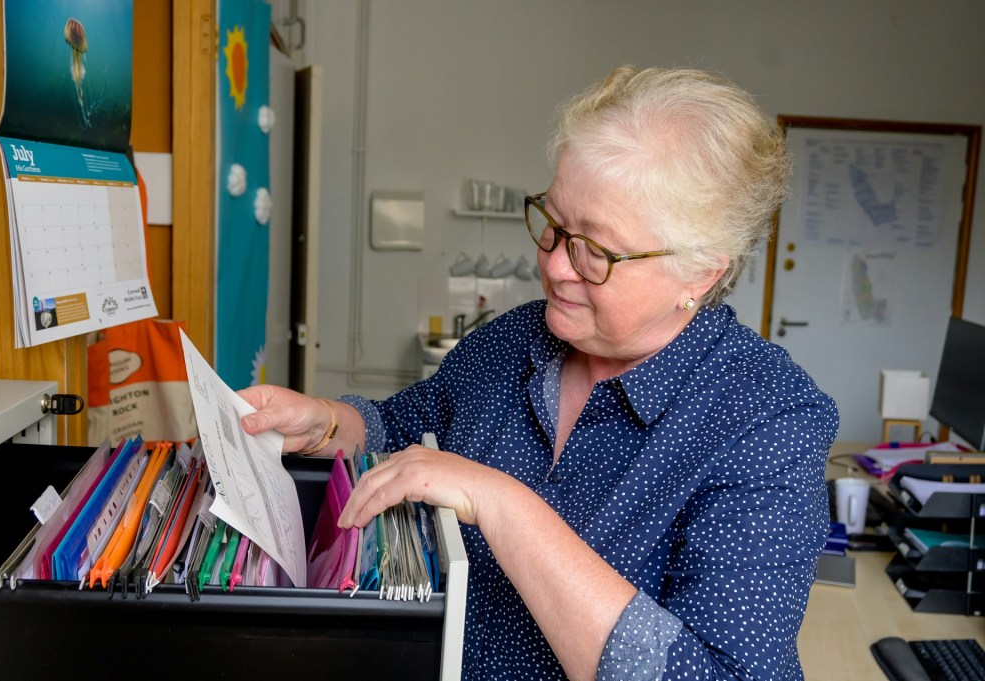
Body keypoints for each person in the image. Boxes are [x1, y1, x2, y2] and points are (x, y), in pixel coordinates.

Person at [239, 65, 839, 680]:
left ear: (702, 271)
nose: (553, 266)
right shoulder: (519, 337)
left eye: (595, 251)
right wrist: (329, 423)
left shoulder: (767, 421)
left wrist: (501, 503)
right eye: (552, 224)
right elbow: (405, 430)